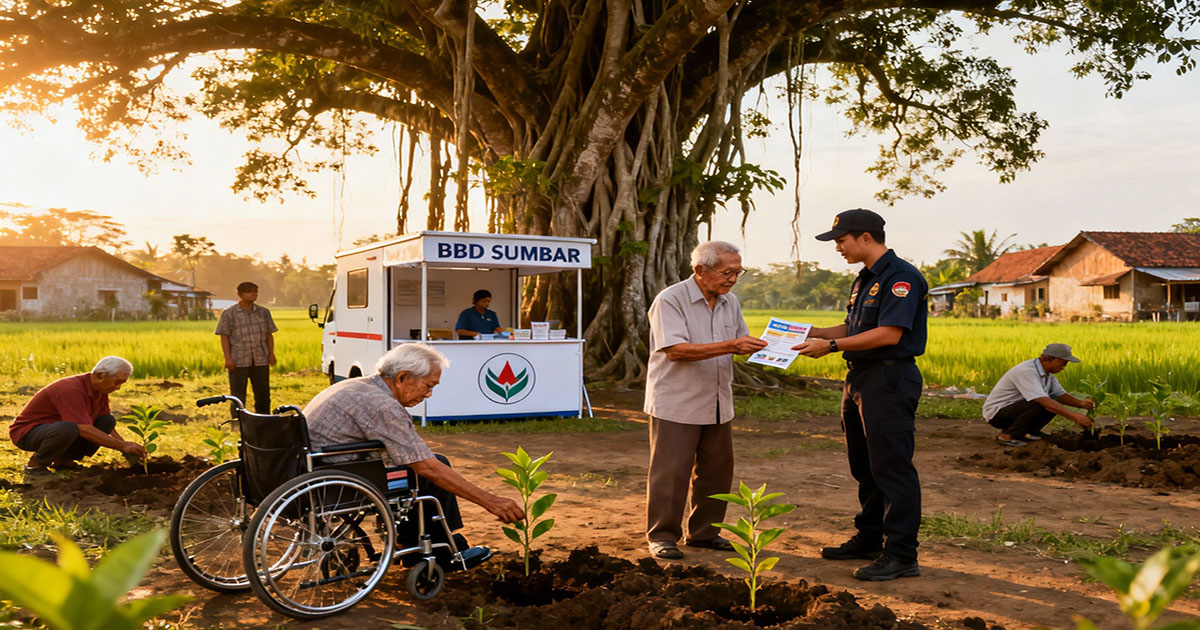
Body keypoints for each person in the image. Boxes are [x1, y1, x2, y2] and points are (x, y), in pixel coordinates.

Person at [791, 208, 928, 581]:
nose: (838, 247)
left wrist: (832, 346)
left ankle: (901, 554)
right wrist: (817, 332)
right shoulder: (864, 279)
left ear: (865, 237)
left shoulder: (900, 278)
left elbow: (889, 334)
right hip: (860, 381)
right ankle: (870, 537)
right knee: (864, 466)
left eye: (841, 240)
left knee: (892, 467)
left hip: (889, 380)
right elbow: (855, 325)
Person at [304, 343, 525, 526]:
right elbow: (426, 466)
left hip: (314, 470)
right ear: (402, 377)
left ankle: (409, 543)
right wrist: (491, 501)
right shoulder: (382, 405)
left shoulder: (354, 386)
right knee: (433, 469)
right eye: (428, 386)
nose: (429, 394)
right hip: (338, 479)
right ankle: (438, 549)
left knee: (425, 466)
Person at [643, 241, 768, 560]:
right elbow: (676, 351)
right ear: (700, 270)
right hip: (677, 402)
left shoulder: (731, 302)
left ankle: (704, 533)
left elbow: (738, 342)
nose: (733, 279)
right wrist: (732, 345)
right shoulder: (670, 300)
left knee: (716, 471)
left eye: (738, 272)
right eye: (727, 272)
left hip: (717, 400)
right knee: (670, 473)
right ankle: (662, 535)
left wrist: (768, 347)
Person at [9, 356, 148, 476]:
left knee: (107, 420)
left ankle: (64, 461)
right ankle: (35, 466)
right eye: (117, 382)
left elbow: (106, 422)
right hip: (28, 433)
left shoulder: (100, 390)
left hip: (58, 430)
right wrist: (122, 446)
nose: (118, 387)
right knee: (68, 427)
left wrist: (125, 448)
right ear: (100, 375)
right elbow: (82, 428)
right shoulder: (71, 389)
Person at [983, 343, 1095, 446]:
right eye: (1063, 361)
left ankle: (1028, 432)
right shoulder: (1026, 371)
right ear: (1050, 359)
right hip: (998, 414)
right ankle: (1007, 436)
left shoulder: (1049, 376)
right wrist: (1075, 417)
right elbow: (1044, 401)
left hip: (1014, 410)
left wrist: (1081, 404)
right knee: (1043, 403)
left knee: (1053, 403)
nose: (1065, 365)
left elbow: (1060, 395)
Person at [215, 281, 277, 414]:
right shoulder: (229, 313)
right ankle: (238, 420)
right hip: (238, 360)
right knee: (238, 395)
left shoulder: (264, 312)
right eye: (249, 291)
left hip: (261, 358)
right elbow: (224, 336)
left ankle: (264, 418)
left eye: (255, 291)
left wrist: (271, 353)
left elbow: (269, 334)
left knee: (263, 393)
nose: (253, 294)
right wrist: (228, 358)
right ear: (240, 294)